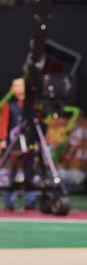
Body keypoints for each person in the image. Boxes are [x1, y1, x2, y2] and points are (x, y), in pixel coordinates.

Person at [0, 77, 37, 211]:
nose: (19, 88)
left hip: (28, 143)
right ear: (11, 89)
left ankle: (30, 201)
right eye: (16, 86)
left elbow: (37, 123)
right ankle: (9, 202)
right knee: (12, 173)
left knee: (30, 172)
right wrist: (2, 140)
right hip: (13, 144)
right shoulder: (8, 104)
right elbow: (3, 123)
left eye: (21, 85)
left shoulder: (32, 104)